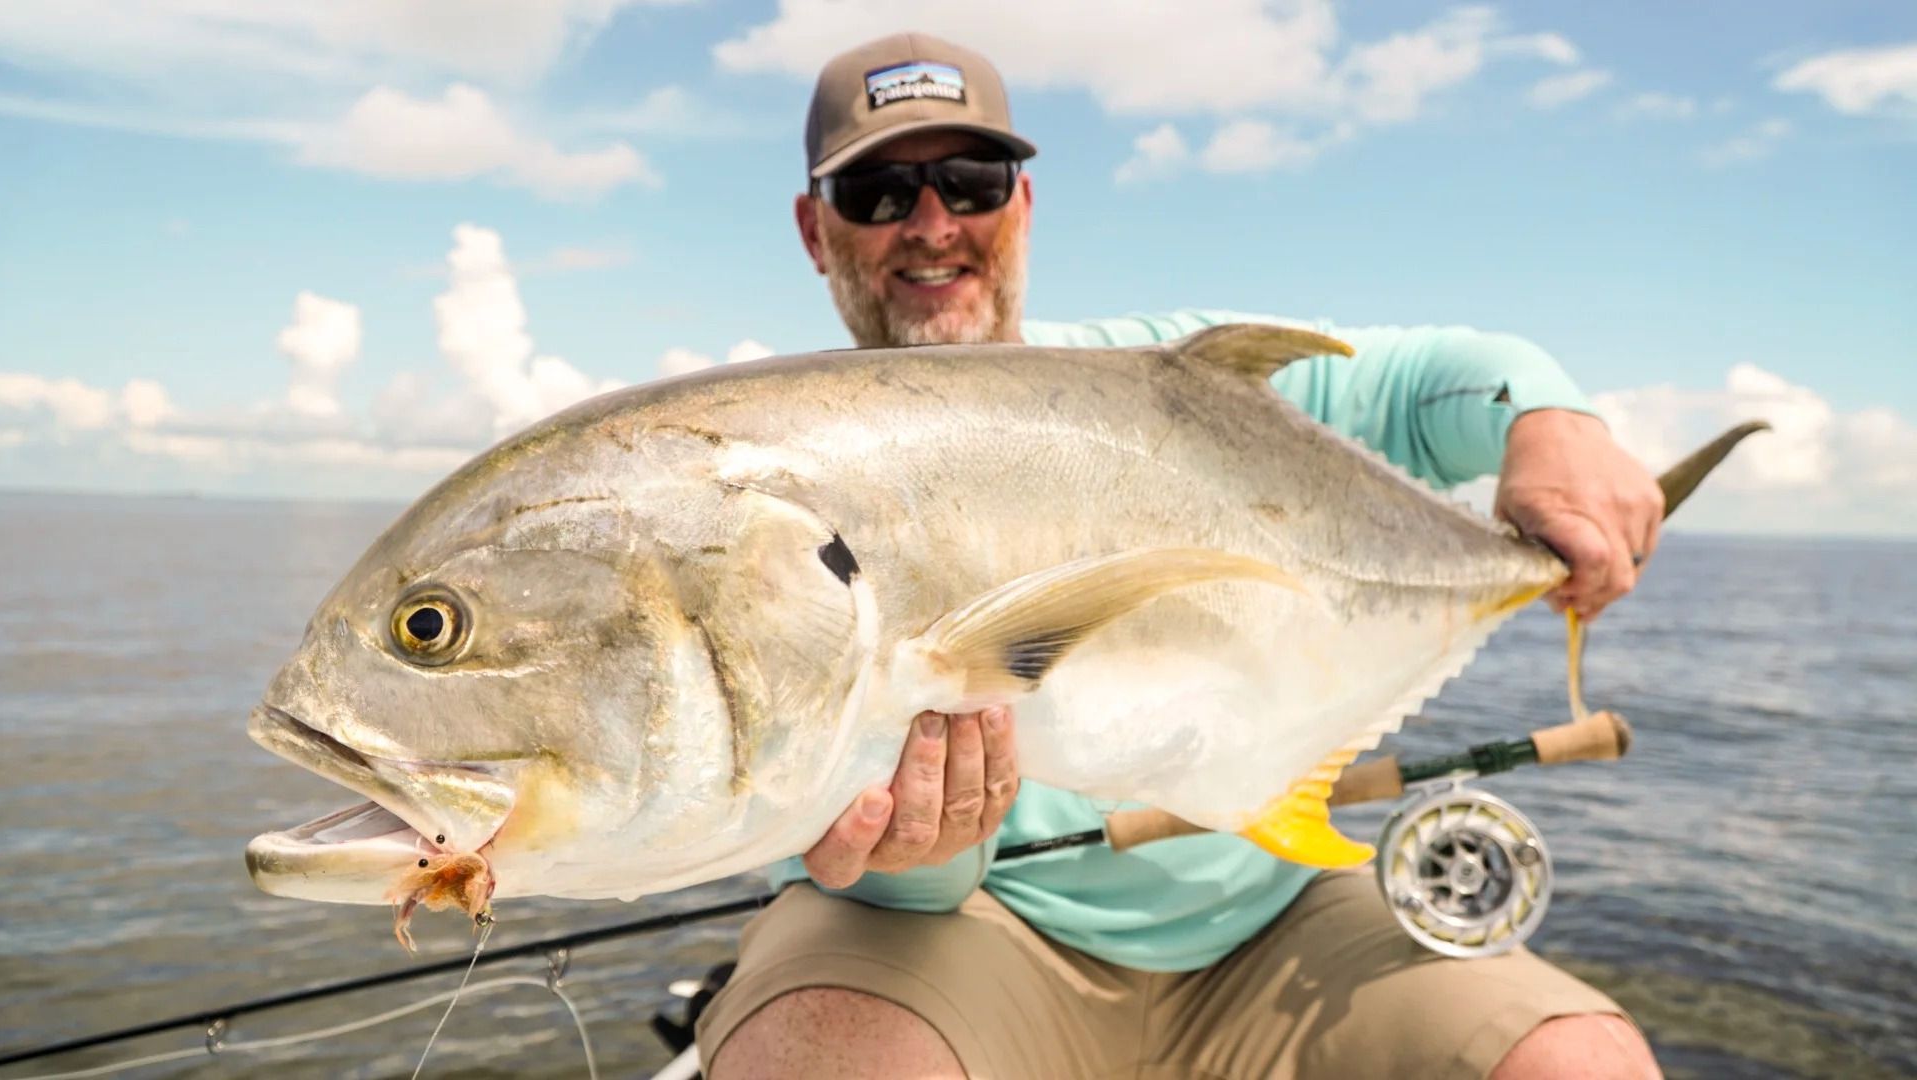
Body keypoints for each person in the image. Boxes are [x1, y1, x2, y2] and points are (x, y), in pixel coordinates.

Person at [695, 31, 1666, 1079]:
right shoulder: (782, 475)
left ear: (1022, 204)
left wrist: (1551, 420)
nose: (933, 224)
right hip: (969, 934)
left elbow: (1444, 374)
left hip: (1277, 922)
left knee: (1578, 1061)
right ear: (814, 227)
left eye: (971, 181)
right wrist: (918, 857)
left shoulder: (1169, 380)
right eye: (880, 191)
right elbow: (914, 883)